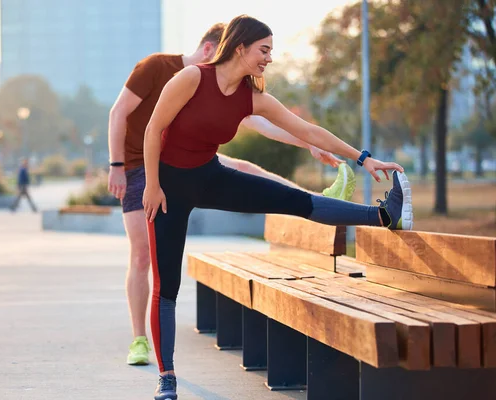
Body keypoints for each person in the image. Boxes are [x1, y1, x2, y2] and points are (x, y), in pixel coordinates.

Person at [142, 15, 413, 400]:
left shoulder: (253, 98)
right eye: (264, 50)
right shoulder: (192, 78)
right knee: (166, 284)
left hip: (210, 176)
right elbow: (154, 129)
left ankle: (384, 216)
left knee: (293, 200)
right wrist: (151, 185)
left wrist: (363, 158)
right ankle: (166, 377)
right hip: (167, 188)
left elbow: (308, 131)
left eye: (271, 51)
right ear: (240, 47)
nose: (269, 58)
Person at [108, 23, 356, 367]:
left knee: (245, 169)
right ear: (215, 48)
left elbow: (262, 121)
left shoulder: (228, 85)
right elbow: (120, 112)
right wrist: (116, 165)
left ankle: (317, 200)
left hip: (193, 161)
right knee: (142, 255)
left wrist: (310, 143)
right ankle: (139, 338)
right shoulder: (162, 69)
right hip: (140, 167)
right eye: (260, 51)